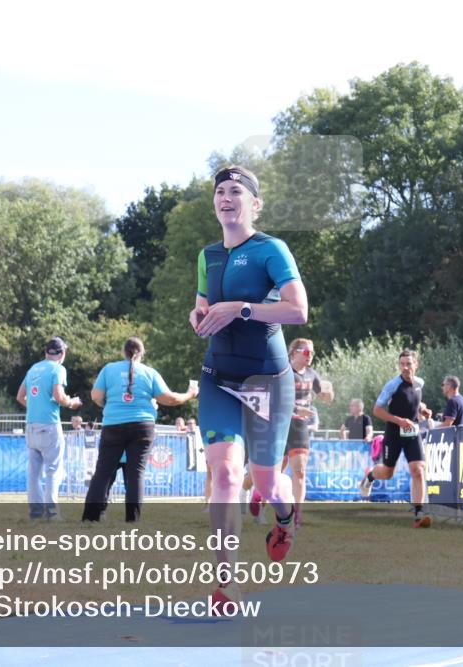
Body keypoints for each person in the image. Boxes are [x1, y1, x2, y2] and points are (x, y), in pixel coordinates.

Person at [189, 165, 307, 613]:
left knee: (267, 482)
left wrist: (240, 309)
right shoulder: (207, 255)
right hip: (218, 376)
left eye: (236, 191)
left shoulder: (270, 250)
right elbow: (201, 307)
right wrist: (199, 318)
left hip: (267, 380)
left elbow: (298, 310)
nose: (226, 197)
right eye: (220, 191)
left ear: (254, 203)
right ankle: (227, 583)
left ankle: (284, 517)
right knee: (225, 476)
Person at [82, 337, 198, 523]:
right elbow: (170, 399)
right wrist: (190, 394)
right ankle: (132, 519)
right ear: (142, 353)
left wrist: (109, 404)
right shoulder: (149, 373)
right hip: (142, 426)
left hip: (113, 424)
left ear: (123, 352)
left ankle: (90, 517)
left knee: (103, 471)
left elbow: (96, 396)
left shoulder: (109, 369)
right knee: (136, 473)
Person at [358, 350, 434, 528]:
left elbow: (413, 401)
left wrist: (422, 410)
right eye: (402, 364)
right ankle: (369, 476)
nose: (406, 368)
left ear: (416, 364)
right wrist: (399, 421)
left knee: (418, 470)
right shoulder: (392, 385)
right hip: (394, 433)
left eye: (409, 364)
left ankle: (419, 514)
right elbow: (377, 410)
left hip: (412, 431)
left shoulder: (419, 383)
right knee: (387, 473)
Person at [16, 337, 82, 520]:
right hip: (49, 425)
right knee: (53, 470)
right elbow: (59, 396)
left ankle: (35, 512)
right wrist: (72, 403)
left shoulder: (33, 369)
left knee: (34, 472)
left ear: (46, 352)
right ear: (62, 353)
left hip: (31, 424)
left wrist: (37, 406)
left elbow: (20, 397)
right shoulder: (58, 369)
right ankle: (52, 513)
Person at [279, 338, 333, 526]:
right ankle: (256, 500)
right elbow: (276, 400)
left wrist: (328, 392)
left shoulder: (312, 374)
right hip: (280, 424)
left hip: (299, 427)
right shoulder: (284, 371)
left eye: (312, 352)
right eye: (306, 352)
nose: (310, 356)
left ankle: (296, 514)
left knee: (299, 471)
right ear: (294, 352)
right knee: (274, 472)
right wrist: (295, 409)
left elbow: (325, 397)